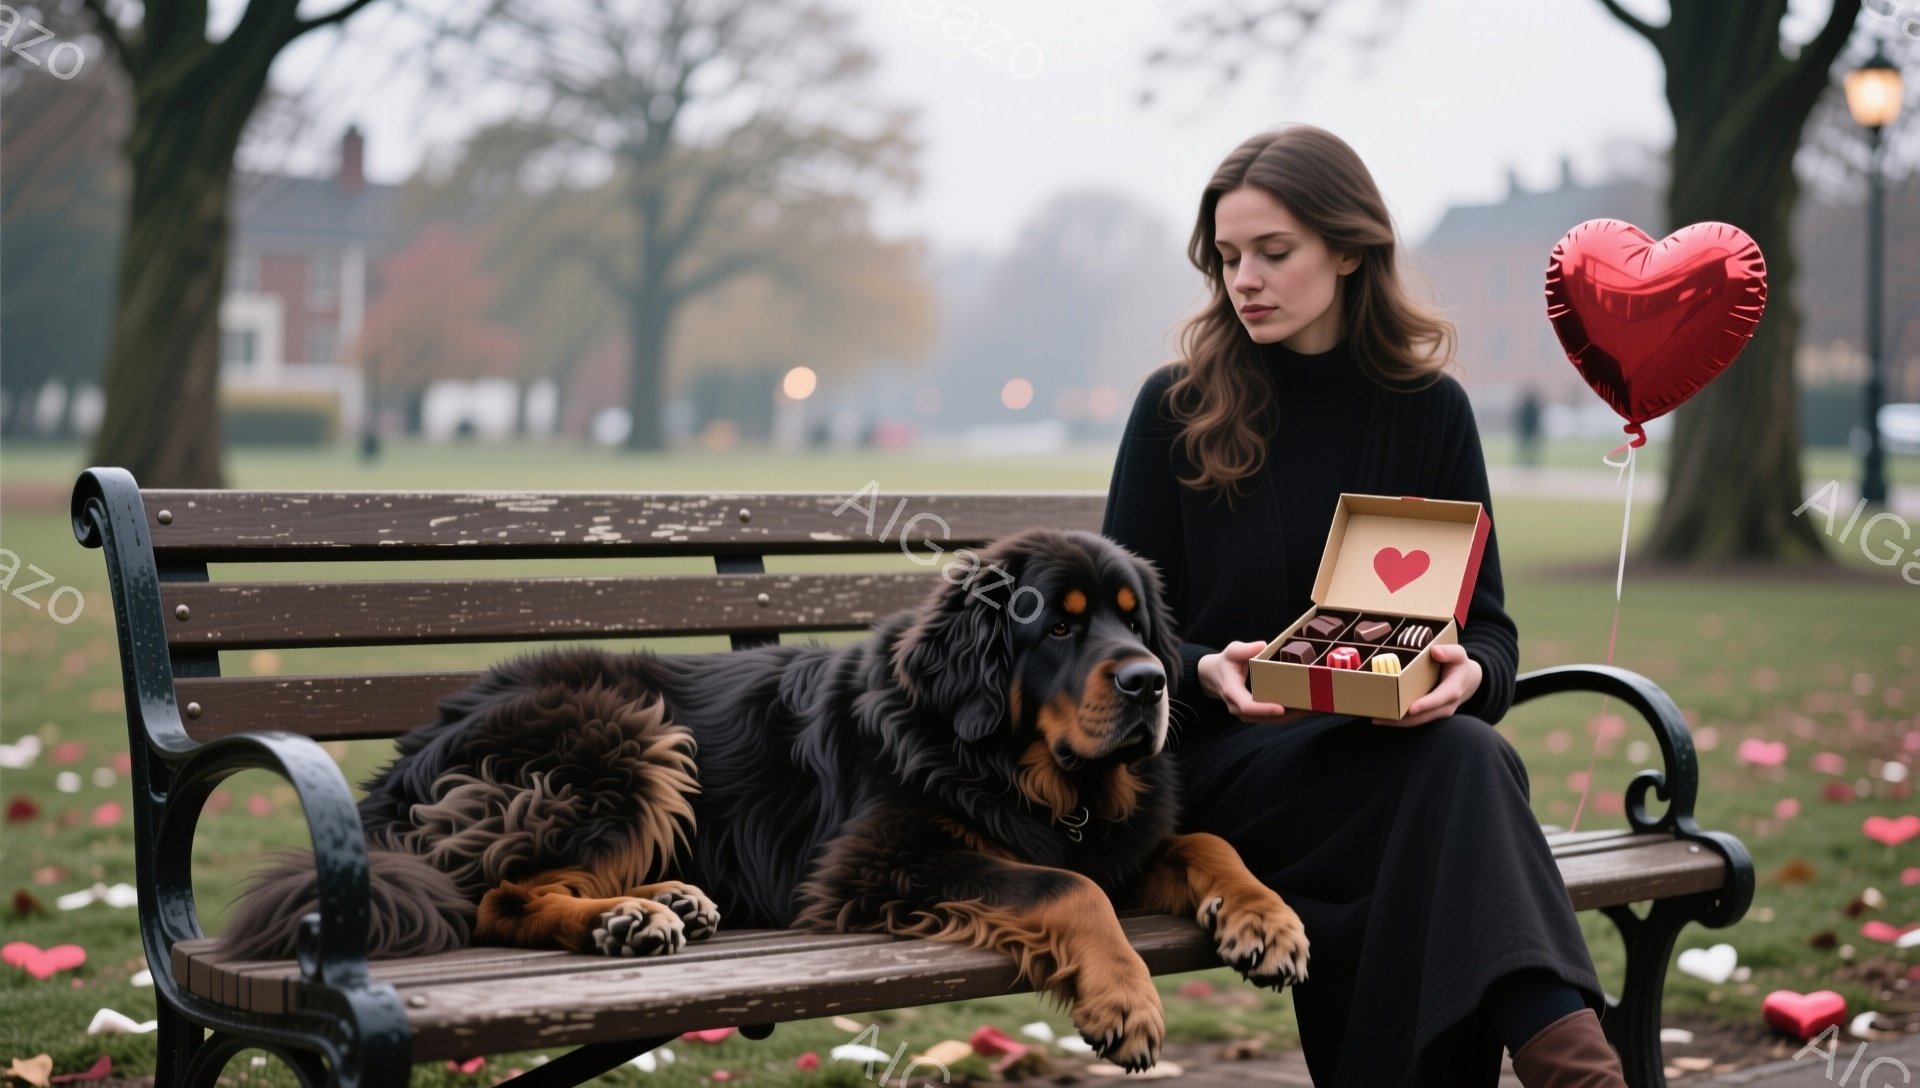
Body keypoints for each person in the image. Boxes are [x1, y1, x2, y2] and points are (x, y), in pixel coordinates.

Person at [1101, 125, 1624, 1088]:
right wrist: (1205, 669)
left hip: (1384, 760)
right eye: (1227, 257)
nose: (1244, 278)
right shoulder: (1176, 407)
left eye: (1273, 252)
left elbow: (1489, 632)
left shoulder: (1427, 410)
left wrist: (1470, 675)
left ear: (1349, 249)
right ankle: (1581, 1068)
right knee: (1458, 773)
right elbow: (1113, 640)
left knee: (1453, 753)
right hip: (1223, 773)